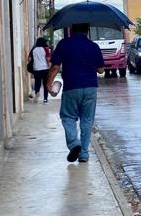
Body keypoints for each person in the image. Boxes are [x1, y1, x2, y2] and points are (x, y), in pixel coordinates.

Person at [46, 23, 105, 163]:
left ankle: (74, 143)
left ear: (71, 30)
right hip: (90, 87)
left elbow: (55, 66)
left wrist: (48, 83)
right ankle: (84, 154)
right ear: (88, 30)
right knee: (87, 120)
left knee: (68, 117)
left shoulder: (64, 44)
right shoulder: (93, 46)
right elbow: (101, 70)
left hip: (71, 87)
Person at [28, 37, 52, 102]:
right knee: (45, 84)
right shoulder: (45, 49)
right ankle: (45, 99)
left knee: (37, 82)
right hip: (44, 69)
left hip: (36, 69)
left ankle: (37, 93)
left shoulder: (33, 50)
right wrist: (49, 66)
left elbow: (29, 59)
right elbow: (48, 59)